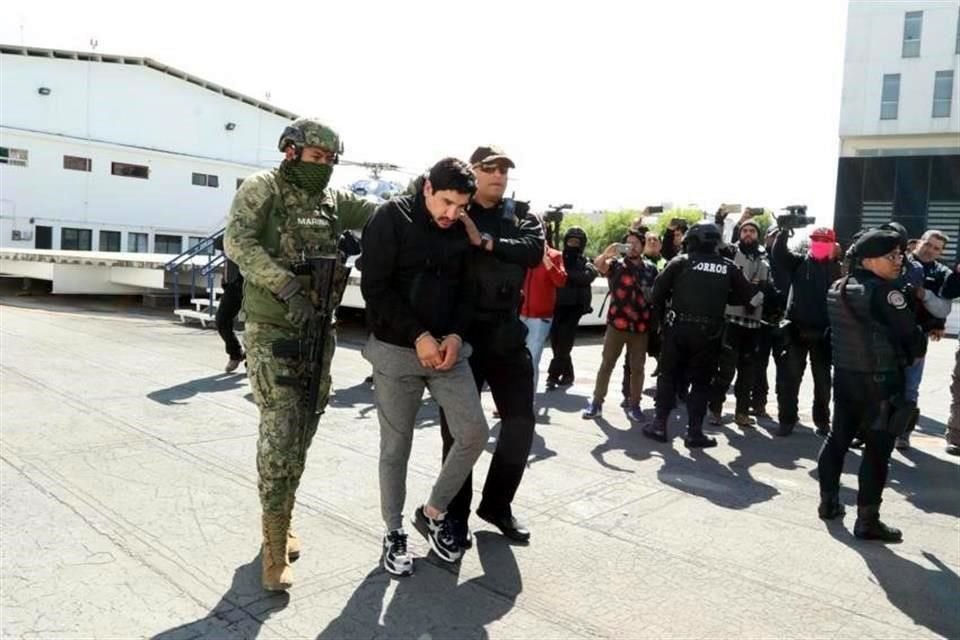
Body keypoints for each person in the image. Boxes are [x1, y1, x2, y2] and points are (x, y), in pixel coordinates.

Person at [224, 118, 376, 591]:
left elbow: (384, 215)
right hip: (273, 328)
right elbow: (238, 242)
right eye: (316, 158)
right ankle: (273, 544)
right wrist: (285, 284)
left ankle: (283, 515)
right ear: (290, 152)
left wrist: (432, 197)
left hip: (318, 330)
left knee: (306, 425)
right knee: (280, 429)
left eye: (331, 160)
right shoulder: (262, 187)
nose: (324, 167)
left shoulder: (333, 200)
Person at [360, 158, 488, 576]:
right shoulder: (389, 218)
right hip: (398, 352)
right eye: (447, 202)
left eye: (461, 206)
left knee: (473, 433)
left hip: (448, 353)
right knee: (396, 448)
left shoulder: (458, 231)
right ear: (428, 188)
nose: (452, 214)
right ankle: (393, 531)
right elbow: (375, 288)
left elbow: (468, 290)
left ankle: (431, 512)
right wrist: (418, 335)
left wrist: (455, 334)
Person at [439, 145, 543, 545]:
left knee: (519, 424)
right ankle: (454, 514)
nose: (498, 176)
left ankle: (497, 505)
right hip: (462, 335)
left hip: (506, 334)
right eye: (489, 169)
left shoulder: (520, 215)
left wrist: (484, 241)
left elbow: (533, 252)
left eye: (503, 170)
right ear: (473, 172)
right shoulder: (454, 212)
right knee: (459, 431)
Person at [817, 229, 924, 542]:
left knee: (838, 439)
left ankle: (828, 502)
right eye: (891, 256)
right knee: (878, 450)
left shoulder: (839, 286)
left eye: (900, 255)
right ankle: (867, 520)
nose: (898, 260)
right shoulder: (886, 292)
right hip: (880, 382)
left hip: (848, 377)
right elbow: (914, 342)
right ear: (868, 260)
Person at [642, 222, 756, 447]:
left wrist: (665, 316)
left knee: (668, 378)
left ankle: (659, 425)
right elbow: (746, 298)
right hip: (710, 334)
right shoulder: (728, 266)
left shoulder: (680, 262)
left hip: (678, 329)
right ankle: (694, 432)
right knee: (702, 383)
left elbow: (656, 293)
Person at [772, 226, 841, 436]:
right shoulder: (799, 262)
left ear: (833, 245)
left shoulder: (839, 269)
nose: (820, 244)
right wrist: (783, 232)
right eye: (816, 240)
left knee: (823, 382)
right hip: (797, 330)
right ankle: (787, 420)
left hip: (825, 334)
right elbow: (779, 254)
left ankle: (822, 421)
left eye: (825, 241)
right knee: (790, 380)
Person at [583, 230, 658, 422]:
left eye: (636, 243)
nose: (632, 247)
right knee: (607, 364)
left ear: (642, 246)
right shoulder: (615, 265)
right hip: (617, 324)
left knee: (638, 368)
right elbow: (598, 266)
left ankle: (635, 405)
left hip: (640, 326)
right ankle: (597, 403)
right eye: (628, 243)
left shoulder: (651, 268)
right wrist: (608, 252)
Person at [708, 217, 772, 427]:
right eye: (745, 230)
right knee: (726, 369)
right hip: (731, 320)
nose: (748, 234)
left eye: (752, 231)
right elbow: (716, 242)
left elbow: (766, 287)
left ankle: (742, 413)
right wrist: (719, 220)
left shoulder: (764, 259)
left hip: (753, 324)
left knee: (748, 372)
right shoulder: (731, 253)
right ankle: (715, 409)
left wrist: (756, 300)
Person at [896, 230, 952, 449]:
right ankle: (870, 431)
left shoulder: (942, 273)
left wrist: (937, 323)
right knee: (880, 386)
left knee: (910, 387)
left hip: (917, 338)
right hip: (889, 334)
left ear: (941, 252)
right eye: (928, 244)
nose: (930, 250)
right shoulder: (898, 261)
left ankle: (903, 433)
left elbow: (943, 305)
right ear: (919, 242)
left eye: (937, 248)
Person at [546, 227, 598, 390]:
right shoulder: (558, 258)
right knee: (557, 343)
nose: (573, 244)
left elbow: (588, 276)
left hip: (574, 308)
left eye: (577, 242)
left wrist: (566, 275)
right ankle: (568, 374)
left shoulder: (585, 261)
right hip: (556, 306)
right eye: (571, 241)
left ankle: (552, 376)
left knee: (564, 344)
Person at [520, 218, 567, 393]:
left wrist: (546, 259)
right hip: (518, 313)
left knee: (531, 360)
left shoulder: (555, 255)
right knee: (512, 361)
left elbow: (561, 281)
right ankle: (507, 404)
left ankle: (525, 403)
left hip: (540, 318)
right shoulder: (523, 252)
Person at [213, 235, 245, 372]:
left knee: (253, 325)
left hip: (251, 284)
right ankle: (235, 353)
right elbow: (218, 243)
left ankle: (251, 360)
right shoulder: (234, 229)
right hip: (232, 285)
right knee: (221, 320)